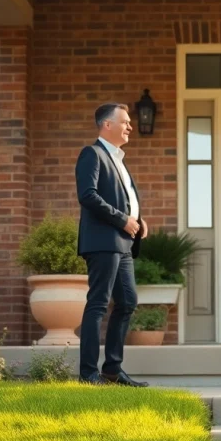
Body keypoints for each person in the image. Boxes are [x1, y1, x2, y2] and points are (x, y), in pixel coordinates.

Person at [74, 102, 149, 387]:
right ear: (107, 125)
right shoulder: (91, 154)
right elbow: (88, 195)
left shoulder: (119, 159)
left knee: (128, 302)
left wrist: (139, 220)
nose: (130, 126)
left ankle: (112, 370)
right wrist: (123, 220)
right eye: (125, 121)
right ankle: (88, 373)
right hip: (103, 241)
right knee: (99, 303)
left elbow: (124, 197)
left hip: (124, 243)